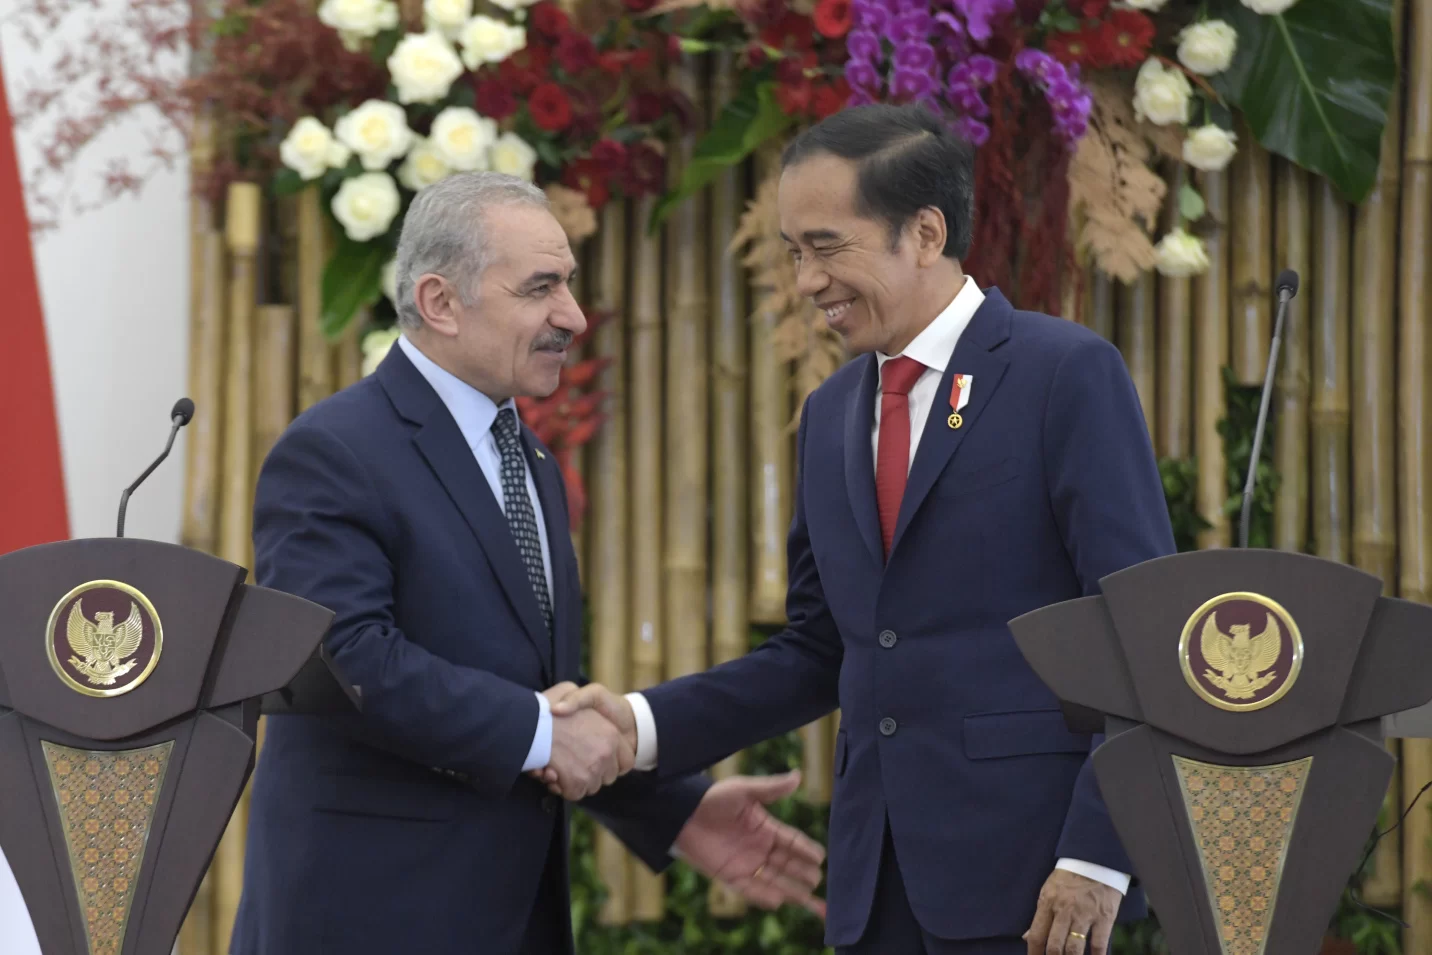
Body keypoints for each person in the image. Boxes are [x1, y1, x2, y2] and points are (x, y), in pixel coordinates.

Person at [542, 103, 1177, 955]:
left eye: (827, 246)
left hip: (1037, 885)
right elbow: (819, 648)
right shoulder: (832, 410)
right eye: (793, 252)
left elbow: (1140, 629)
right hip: (875, 888)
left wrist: (1098, 855)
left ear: (925, 232)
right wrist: (638, 724)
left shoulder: (1062, 373)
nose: (808, 281)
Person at [230, 172, 825, 955]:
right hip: (369, 919)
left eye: (567, 284)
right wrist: (544, 731)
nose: (572, 315)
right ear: (441, 301)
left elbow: (530, 695)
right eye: (541, 287)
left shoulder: (529, 459)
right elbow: (341, 660)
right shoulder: (335, 450)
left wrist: (671, 808)